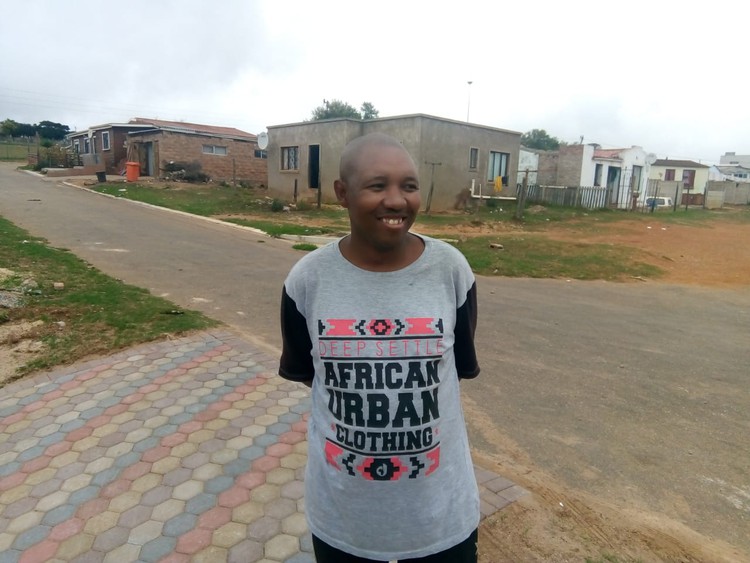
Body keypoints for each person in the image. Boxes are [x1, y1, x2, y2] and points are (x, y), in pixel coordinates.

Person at [279, 133, 481, 562]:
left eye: (408, 186)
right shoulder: (307, 281)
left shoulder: (450, 271)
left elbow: (455, 367)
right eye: (377, 186)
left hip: (439, 518)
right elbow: (313, 377)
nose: (396, 200)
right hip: (343, 519)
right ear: (342, 194)